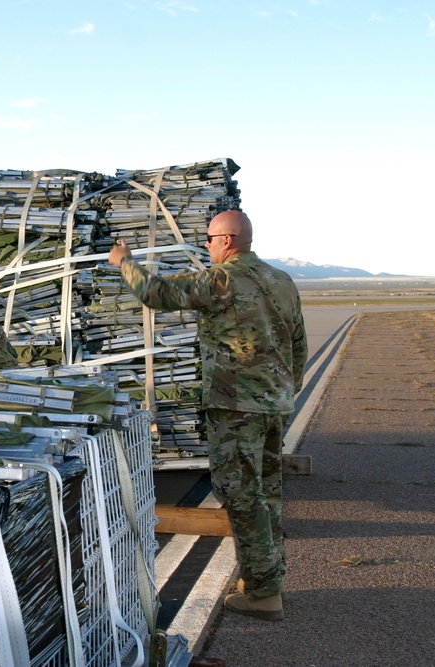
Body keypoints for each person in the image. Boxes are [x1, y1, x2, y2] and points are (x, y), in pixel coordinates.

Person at [109, 209, 307, 622]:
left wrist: (124, 262)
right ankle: (268, 577)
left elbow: (158, 293)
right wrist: (286, 389)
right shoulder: (282, 281)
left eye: (210, 239)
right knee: (267, 490)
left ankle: (263, 594)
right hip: (273, 405)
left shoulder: (222, 280)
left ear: (228, 241)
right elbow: (299, 342)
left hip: (236, 407)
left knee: (240, 492)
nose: (207, 245)